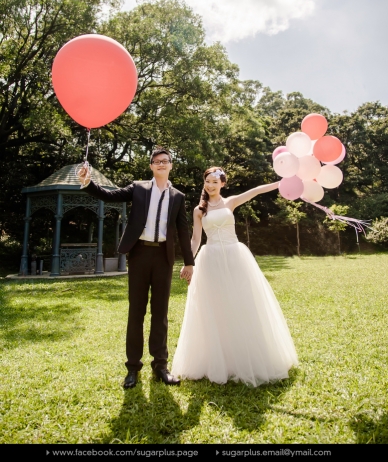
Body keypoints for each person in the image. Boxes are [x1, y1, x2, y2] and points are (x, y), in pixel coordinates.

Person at [78, 147, 194, 389]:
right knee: (136, 312)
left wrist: (189, 262)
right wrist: (87, 182)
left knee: (160, 314)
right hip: (140, 254)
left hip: (163, 257)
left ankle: (160, 365)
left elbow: (183, 230)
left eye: (165, 161)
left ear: (171, 165)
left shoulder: (178, 196)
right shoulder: (138, 188)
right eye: (156, 161)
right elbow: (110, 195)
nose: (161, 164)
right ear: (151, 166)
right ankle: (132, 368)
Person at [171, 167, 298, 386]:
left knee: (241, 303)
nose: (210, 185)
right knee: (215, 307)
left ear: (222, 183)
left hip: (234, 256)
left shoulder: (230, 202)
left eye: (215, 181)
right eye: (207, 181)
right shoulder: (199, 210)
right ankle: (218, 360)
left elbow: (256, 191)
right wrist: (188, 262)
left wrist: (281, 183)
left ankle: (244, 357)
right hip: (210, 259)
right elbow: (195, 239)